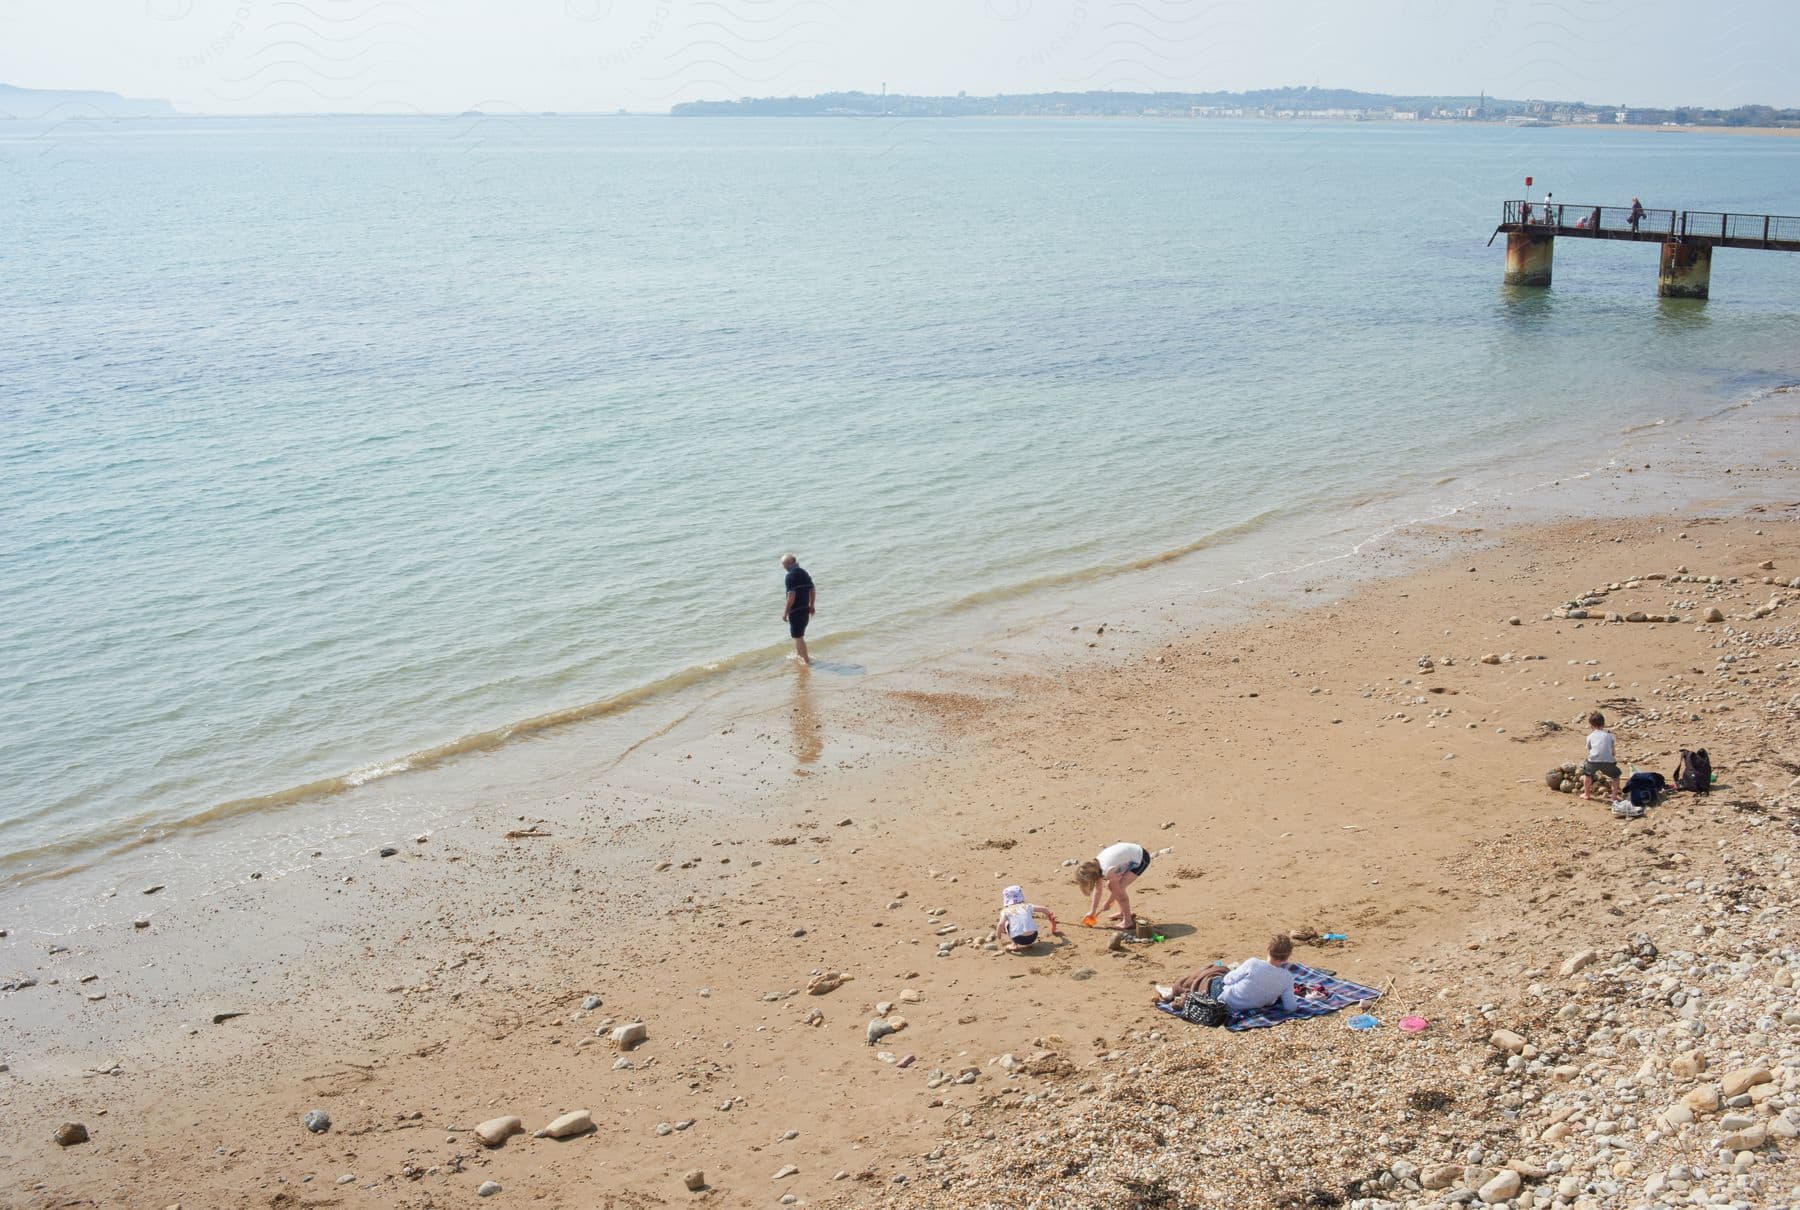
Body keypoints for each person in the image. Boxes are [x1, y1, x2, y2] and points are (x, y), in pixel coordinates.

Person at [1157, 934, 1298, 1016]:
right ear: (1287, 957)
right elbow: (1290, 1007)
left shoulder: (1254, 963)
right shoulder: (1287, 978)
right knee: (1215, 973)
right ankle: (1181, 992)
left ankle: (1174, 989)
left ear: (1268, 949)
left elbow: (1228, 979)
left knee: (1213, 971)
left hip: (1227, 1000)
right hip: (1251, 1006)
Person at [1076, 842, 1151, 932]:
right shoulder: (1096, 866)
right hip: (1129, 854)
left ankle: (1128, 921)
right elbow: (1098, 890)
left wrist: (1108, 903)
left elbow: (1117, 891)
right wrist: (1092, 911)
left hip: (1141, 857)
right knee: (1113, 885)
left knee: (1119, 889)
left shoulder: (1106, 869)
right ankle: (1122, 912)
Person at [993, 885, 1060, 953]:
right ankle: (1029, 943)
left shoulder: (1005, 911)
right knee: (1027, 918)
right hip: (1033, 937)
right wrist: (1049, 918)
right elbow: (1044, 909)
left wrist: (999, 936)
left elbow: (1001, 924)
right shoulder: (1027, 906)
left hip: (1018, 939)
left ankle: (1014, 944)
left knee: (1007, 922)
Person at [780, 553, 815, 665]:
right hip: (805, 608)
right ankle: (800, 657)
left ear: (790, 563)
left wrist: (785, 612)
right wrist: (812, 605)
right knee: (798, 635)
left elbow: (791, 596)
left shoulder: (790, 576)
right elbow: (812, 590)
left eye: (784, 565)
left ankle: (806, 661)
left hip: (796, 610)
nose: (783, 567)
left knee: (798, 636)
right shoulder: (804, 573)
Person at [1581, 710, 1622, 802]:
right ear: (1603, 724)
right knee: (1616, 776)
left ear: (1591, 725)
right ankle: (1614, 796)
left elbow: (1589, 749)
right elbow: (1613, 752)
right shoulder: (1609, 736)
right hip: (1608, 761)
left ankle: (1587, 794)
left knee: (1587, 774)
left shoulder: (1590, 736)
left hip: (1593, 761)